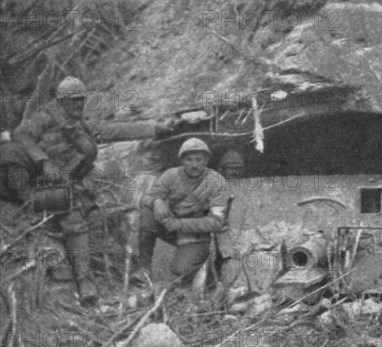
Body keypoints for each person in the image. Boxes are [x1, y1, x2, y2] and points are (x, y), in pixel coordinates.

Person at [2, 76, 174, 307]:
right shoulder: (44, 118)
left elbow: (113, 130)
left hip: (63, 182)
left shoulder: (79, 124)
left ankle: (122, 276)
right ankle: (85, 286)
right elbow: (21, 136)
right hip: (34, 182)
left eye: (81, 100)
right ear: (61, 101)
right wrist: (43, 161)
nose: (78, 105)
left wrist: (153, 130)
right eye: (73, 101)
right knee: (73, 220)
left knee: (95, 214)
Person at [131, 138, 230, 286]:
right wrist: (156, 201)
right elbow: (147, 198)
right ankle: (144, 270)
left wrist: (179, 224)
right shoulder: (171, 175)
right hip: (172, 228)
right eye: (189, 160)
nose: (194, 165)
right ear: (182, 160)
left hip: (198, 236)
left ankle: (206, 269)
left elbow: (216, 221)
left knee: (179, 269)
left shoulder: (216, 182)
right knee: (147, 213)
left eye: (199, 159)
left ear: (206, 160)